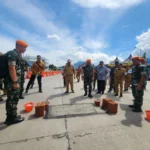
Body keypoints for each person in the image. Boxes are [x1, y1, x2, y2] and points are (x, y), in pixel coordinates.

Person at [4, 40, 28, 125]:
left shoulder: (17, 55)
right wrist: (15, 82)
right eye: (24, 47)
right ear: (18, 46)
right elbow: (11, 68)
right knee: (12, 100)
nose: (25, 49)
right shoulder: (12, 54)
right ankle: (11, 119)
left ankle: (11, 116)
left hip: (14, 82)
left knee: (13, 99)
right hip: (11, 82)